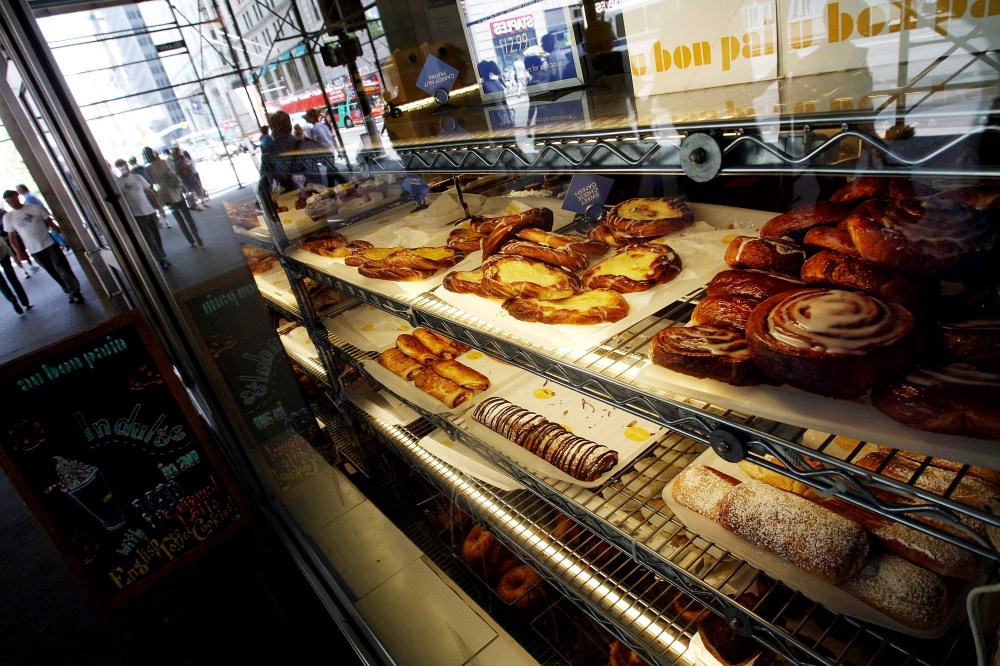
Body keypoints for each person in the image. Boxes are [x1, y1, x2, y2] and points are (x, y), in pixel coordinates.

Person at [2, 189, 83, 304]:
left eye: (12, 200)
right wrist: (18, 252)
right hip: (34, 249)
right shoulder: (8, 217)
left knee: (62, 268)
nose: (11, 203)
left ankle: (75, 291)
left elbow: (50, 222)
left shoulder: (33, 208)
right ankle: (68, 290)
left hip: (49, 243)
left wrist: (63, 236)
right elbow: (12, 237)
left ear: (17, 197)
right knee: (52, 271)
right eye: (8, 202)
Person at [113, 159, 171, 270]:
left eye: (124, 166)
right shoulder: (118, 183)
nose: (123, 168)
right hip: (137, 214)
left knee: (156, 234)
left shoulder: (137, 177)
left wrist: (159, 207)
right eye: (120, 167)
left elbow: (150, 192)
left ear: (127, 166)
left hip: (149, 211)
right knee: (148, 237)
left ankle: (162, 255)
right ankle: (160, 259)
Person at [142, 146, 202, 247]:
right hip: (176, 191)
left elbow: (152, 183)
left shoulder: (147, 169)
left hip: (165, 195)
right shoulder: (165, 162)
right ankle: (196, 236)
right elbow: (174, 173)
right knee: (187, 215)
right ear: (153, 153)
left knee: (179, 219)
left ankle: (190, 241)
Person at [0, 208, 39, 279]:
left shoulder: (4, 214)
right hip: (12, 236)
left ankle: (25, 269)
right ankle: (29, 267)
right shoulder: (5, 214)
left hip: (8, 237)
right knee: (19, 252)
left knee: (17, 253)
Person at [0, 227, 31, 315]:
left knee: (1, 284)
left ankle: (11, 298)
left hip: (3, 251)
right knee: (12, 278)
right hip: (2, 252)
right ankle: (25, 302)